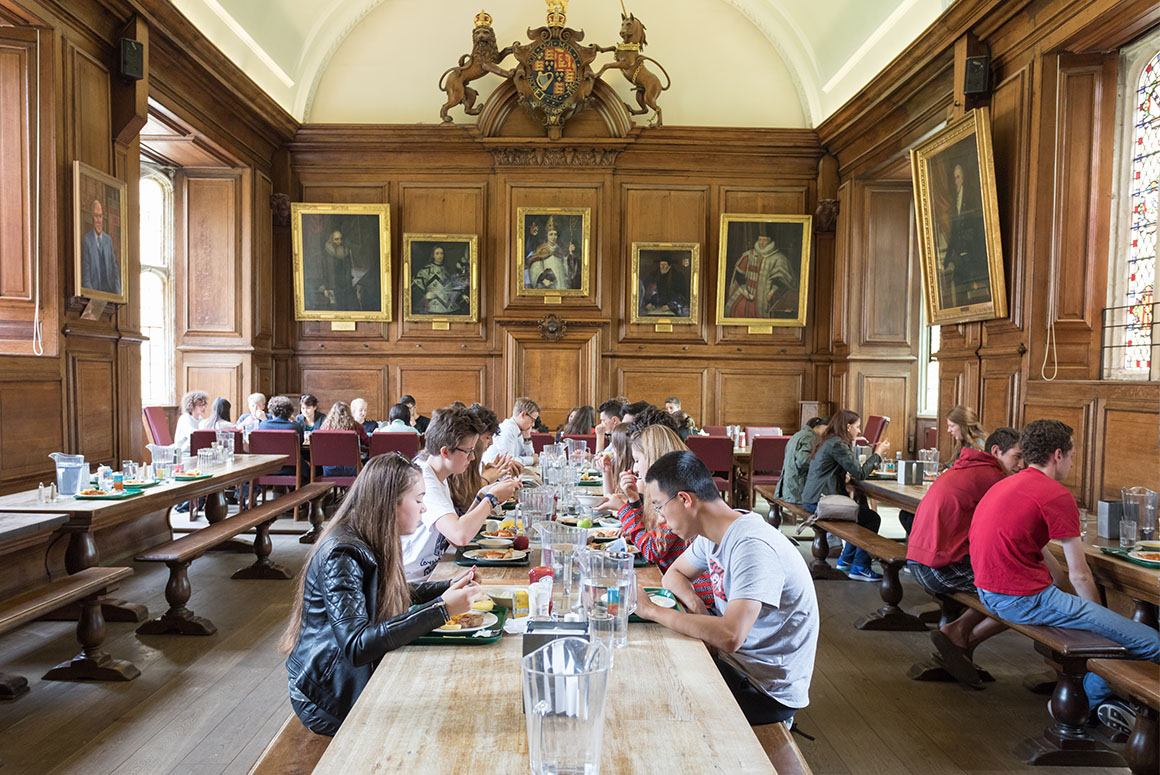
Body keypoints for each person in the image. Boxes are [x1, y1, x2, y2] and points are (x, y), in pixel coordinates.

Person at [281, 454, 482, 736]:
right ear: (390, 502)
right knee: (440, 724)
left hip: (349, 678)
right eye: (418, 499)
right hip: (326, 696)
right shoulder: (342, 554)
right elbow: (356, 645)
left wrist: (446, 587)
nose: (424, 509)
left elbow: (383, 594)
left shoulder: (369, 534)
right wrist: (442, 610)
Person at [970, 420, 1160, 713]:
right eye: (1072, 456)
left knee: (1113, 629)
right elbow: (1081, 575)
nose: (1072, 463)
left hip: (987, 591)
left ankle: (1101, 699)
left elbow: (1043, 553)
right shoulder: (1055, 494)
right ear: (1057, 455)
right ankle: (1089, 705)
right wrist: (1100, 619)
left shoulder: (1005, 483)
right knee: (1151, 642)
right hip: (1020, 599)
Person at [633, 450, 819, 727]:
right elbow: (674, 575)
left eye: (659, 506)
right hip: (735, 664)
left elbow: (731, 635)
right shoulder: (716, 532)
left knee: (651, 693)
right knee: (646, 666)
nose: (660, 519)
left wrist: (651, 610)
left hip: (764, 690)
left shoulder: (753, 547)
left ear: (685, 499)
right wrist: (699, 608)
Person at [906, 427, 1023, 685]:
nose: (1021, 464)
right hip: (938, 567)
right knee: (1026, 594)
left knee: (1016, 587)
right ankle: (960, 635)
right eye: (1017, 456)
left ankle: (960, 641)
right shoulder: (993, 477)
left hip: (920, 560)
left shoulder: (967, 467)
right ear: (996, 451)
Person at [597, 425, 714, 609]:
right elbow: (653, 541)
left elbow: (651, 551)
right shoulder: (671, 489)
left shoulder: (676, 496)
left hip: (697, 596)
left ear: (652, 459)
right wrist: (634, 501)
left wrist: (624, 510)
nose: (634, 468)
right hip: (678, 587)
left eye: (636, 460)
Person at [400, 406, 520, 581]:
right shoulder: (423, 480)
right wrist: (491, 499)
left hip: (432, 575)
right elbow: (460, 535)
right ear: (445, 451)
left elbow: (453, 537)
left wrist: (481, 497)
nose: (472, 458)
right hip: (412, 586)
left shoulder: (439, 475)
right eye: (468, 451)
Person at [801, 409, 890, 582]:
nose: (859, 431)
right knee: (872, 519)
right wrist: (878, 453)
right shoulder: (838, 444)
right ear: (848, 427)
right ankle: (860, 566)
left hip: (814, 497)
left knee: (861, 514)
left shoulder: (830, 440)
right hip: (821, 501)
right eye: (857, 427)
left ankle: (847, 560)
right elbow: (860, 473)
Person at [448, 403, 520, 514]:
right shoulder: (459, 457)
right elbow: (467, 504)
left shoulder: (473, 458)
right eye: (487, 437)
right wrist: (486, 480)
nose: (491, 443)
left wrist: (489, 478)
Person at [940, 163, 990, 308]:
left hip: (974, 254)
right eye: (954, 178)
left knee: (976, 292)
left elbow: (978, 226)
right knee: (957, 287)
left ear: (963, 178)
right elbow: (954, 234)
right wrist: (946, 261)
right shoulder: (955, 201)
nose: (955, 181)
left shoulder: (972, 198)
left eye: (958, 177)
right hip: (962, 257)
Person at [724, 233, 794, 319]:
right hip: (746, 291)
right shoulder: (748, 255)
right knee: (735, 308)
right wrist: (745, 290)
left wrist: (772, 292)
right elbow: (739, 275)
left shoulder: (779, 258)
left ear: (770, 241)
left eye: (764, 240)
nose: (761, 242)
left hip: (767, 294)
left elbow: (783, 280)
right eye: (760, 239)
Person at [773, 416, 828, 504]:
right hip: (797, 490)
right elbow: (804, 461)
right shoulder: (811, 438)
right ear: (824, 427)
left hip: (787, 486)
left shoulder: (799, 434)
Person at [481, 397, 540, 468]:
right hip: (494, 474)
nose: (533, 424)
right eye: (532, 420)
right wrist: (532, 459)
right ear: (523, 414)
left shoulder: (521, 430)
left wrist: (527, 438)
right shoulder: (508, 429)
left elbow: (531, 457)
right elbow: (509, 461)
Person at [80, 198, 121, 296]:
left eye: (100, 216)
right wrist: (92, 296)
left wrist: (118, 294)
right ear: (91, 218)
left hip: (110, 292)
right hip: (95, 292)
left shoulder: (108, 240)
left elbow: (114, 269)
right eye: (95, 216)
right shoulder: (87, 240)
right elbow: (86, 275)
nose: (98, 220)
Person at [318, 402, 371, 478]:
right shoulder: (356, 426)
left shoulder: (325, 427)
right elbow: (367, 442)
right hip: (352, 468)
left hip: (330, 468)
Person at [412, 245, 467, 315]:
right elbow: (416, 289)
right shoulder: (425, 271)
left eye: (441, 253)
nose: (440, 256)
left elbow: (451, 288)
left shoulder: (447, 270)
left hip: (450, 307)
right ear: (433, 255)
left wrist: (461, 296)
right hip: (432, 308)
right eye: (437, 253)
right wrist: (425, 296)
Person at [525, 216, 576, 290]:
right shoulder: (541, 250)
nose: (553, 237)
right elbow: (535, 266)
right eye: (551, 234)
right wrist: (542, 279)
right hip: (548, 286)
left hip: (562, 286)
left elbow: (568, 272)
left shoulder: (561, 250)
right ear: (547, 236)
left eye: (555, 234)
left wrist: (570, 255)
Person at [174, 390, 210, 455]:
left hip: (194, 451)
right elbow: (192, 435)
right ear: (191, 406)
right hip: (183, 453)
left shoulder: (200, 419)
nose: (204, 408)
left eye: (204, 405)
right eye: (200, 405)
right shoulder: (185, 418)